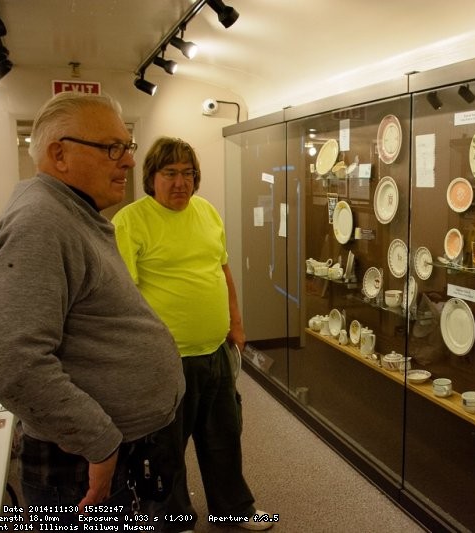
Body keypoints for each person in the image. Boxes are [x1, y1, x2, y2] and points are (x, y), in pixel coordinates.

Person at [0, 92, 185, 524]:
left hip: (109, 447)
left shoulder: (71, 214)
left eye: (126, 147)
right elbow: (13, 364)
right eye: (113, 148)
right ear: (60, 154)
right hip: (79, 461)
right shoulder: (40, 223)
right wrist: (100, 442)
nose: (129, 162)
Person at [112, 137, 272, 531]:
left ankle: (233, 509)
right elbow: (123, 297)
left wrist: (236, 323)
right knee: (166, 447)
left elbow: (223, 271)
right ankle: (174, 520)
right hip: (165, 360)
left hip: (215, 350)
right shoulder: (130, 221)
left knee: (224, 437)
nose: (181, 182)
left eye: (188, 173)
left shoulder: (207, 213)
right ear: (151, 177)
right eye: (170, 173)